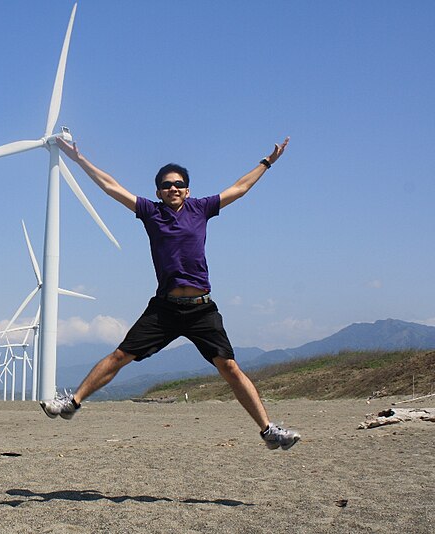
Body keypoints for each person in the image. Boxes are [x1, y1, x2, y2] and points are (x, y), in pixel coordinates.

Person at [41, 136, 300, 451]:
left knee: (229, 367)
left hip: (202, 309)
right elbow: (111, 187)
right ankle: (72, 403)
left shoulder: (201, 208)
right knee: (120, 355)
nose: (173, 189)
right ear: (158, 192)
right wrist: (79, 159)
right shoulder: (151, 213)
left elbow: (240, 187)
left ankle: (268, 431)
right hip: (165, 308)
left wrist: (267, 162)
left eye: (178, 184)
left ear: (187, 189)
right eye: (166, 185)